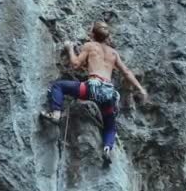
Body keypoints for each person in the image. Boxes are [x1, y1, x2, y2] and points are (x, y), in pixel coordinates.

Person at [40, 21, 148, 163]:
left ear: (92, 34)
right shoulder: (113, 53)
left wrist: (69, 48)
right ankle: (107, 149)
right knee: (110, 124)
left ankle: (55, 114)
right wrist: (141, 89)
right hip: (108, 93)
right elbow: (127, 72)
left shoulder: (90, 46)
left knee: (59, 86)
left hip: (92, 88)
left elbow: (76, 64)